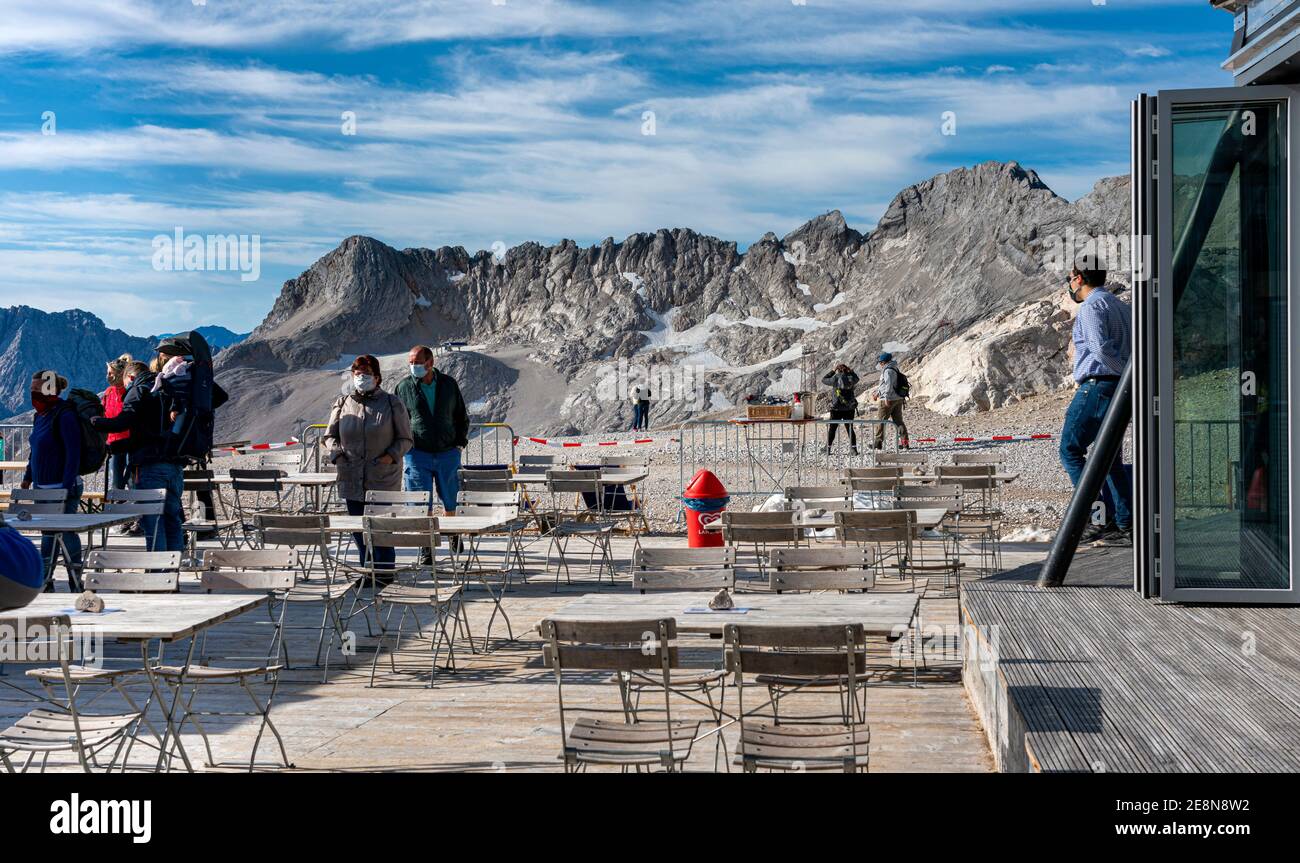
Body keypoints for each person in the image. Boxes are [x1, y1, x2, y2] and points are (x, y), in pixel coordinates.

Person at [1060, 261, 1133, 544]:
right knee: (1110, 458)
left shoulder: (1091, 307)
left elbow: (1100, 349)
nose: (1070, 286)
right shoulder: (1121, 307)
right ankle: (1125, 523)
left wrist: (1123, 370)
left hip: (1097, 386)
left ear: (1078, 279)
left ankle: (1096, 517)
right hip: (1119, 390)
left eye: (1070, 279)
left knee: (1070, 450)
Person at [325, 354, 413, 579]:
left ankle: (384, 573)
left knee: (381, 528)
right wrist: (337, 456)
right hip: (351, 477)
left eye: (366, 374)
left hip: (382, 478)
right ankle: (368, 574)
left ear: (377, 377)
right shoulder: (343, 403)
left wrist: (390, 456)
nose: (361, 378)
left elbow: (405, 439)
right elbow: (329, 436)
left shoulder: (392, 403)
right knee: (359, 529)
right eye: (357, 374)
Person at [395, 346, 468, 558]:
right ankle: (426, 545)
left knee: (451, 497)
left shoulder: (448, 384)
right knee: (420, 501)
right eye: (410, 362)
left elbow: (461, 415)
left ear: (430, 363)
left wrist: (459, 443)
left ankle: (453, 535)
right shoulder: (404, 387)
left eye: (417, 362)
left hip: (447, 453)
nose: (413, 366)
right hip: (417, 454)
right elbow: (399, 420)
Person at [22, 371, 83, 591]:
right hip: (42, 488)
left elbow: (73, 453)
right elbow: (35, 450)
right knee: (47, 534)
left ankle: (75, 578)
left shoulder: (65, 415)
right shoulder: (40, 416)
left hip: (63, 488)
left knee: (65, 533)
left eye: (37, 390)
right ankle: (46, 580)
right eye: (32, 390)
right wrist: (28, 477)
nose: (33, 394)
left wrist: (66, 487)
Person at [101, 354, 139, 536]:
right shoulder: (108, 393)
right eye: (107, 373)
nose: (108, 377)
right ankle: (122, 520)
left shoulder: (129, 391)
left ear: (120, 374)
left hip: (130, 443)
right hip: (114, 444)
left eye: (111, 373)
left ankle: (137, 519)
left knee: (132, 482)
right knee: (117, 483)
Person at [871, 352, 909, 450]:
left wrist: (886, 398)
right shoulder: (894, 368)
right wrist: (877, 393)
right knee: (898, 421)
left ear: (884, 362)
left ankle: (878, 443)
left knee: (881, 421)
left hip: (888, 400)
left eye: (880, 362)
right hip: (898, 399)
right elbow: (884, 385)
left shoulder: (888, 371)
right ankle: (905, 443)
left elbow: (888, 385)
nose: (880, 364)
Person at [822, 363, 860, 455]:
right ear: (846, 369)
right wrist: (851, 371)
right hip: (849, 408)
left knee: (832, 429)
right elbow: (857, 378)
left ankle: (828, 449)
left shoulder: (835, 378)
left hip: (836, 408)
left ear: (838, 370)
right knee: (850, 428)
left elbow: (824, 380)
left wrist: (832, 371)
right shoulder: (851, 378)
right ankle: (853, 449)